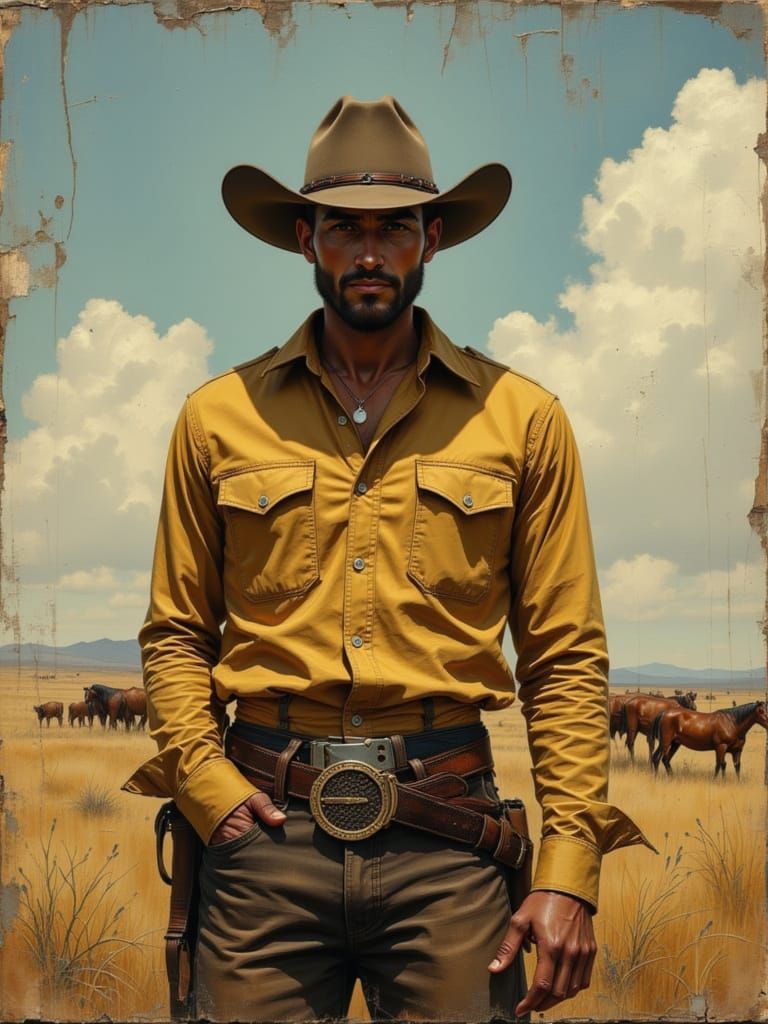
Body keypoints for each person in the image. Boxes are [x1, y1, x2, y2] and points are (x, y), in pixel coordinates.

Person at [124, 95, 650, 1023]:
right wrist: (209, 792)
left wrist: (570, 869)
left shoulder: (524, 420)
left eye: (393, 229)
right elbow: (174, 633)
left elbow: (565, 658)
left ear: (432, 238)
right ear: (305, 239)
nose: (369, 254)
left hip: (451, 846)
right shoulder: (215, 418)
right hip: (261, 838)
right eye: (344, 229)